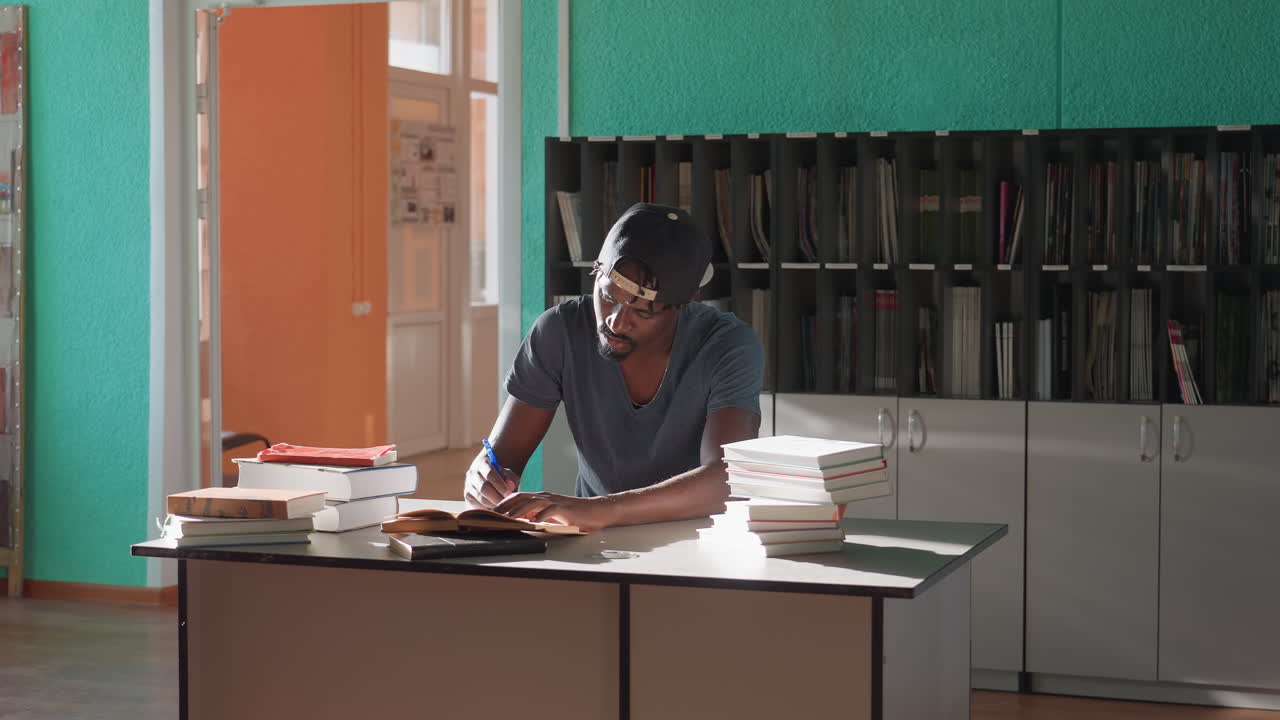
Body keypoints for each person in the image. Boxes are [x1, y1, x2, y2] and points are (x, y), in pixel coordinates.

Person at [464, 202, 765, 531]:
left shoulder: (727, 344)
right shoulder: (559, 332)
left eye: (643, 312)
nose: (616, 322)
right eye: (608, 296)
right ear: (596, 272)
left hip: (699, 538)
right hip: (596, 541)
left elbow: (726, 478)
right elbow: (500, 459)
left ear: (684, 304)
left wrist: (600, 510)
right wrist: (485, 479)